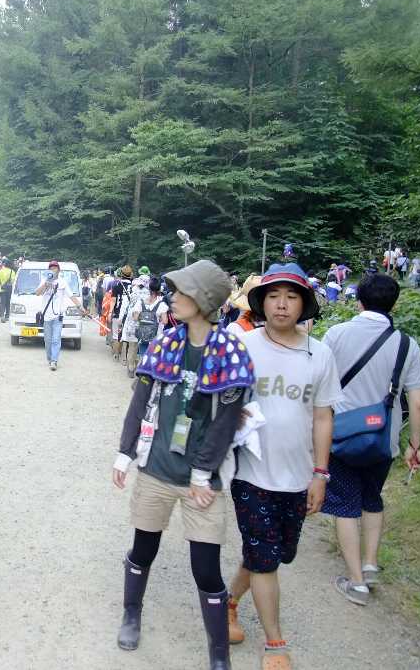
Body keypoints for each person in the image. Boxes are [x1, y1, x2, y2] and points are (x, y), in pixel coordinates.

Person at [113, 260, 254, 670]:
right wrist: (125, 453)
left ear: (205, 299)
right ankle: (131, 613)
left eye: (182, 290)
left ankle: (218, 651)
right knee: (143, 549)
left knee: (206, 569)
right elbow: (140, 401)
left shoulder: (230, 351)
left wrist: (201, 472)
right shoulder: (164, 343)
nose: (172, 296)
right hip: (156, 469)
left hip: (202, 482)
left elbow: (226, 422)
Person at [223, 264, 341, 670]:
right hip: (250, 472)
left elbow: (323, 416)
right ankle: (275, 644)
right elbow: (219, 396)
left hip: (298, 475)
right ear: (262, 302)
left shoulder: (319, 353)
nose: (281, 304)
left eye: (291, 296)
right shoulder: (244, 344)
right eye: (274, 296)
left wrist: (321, 474)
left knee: (273, 552)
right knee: (265, 556)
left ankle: (228, 602)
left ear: (303, 304)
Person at [321, 274, 420, 605]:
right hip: (384, 440)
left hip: (341, 437)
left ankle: (356, 583)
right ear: (393, 304)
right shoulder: (407, 344)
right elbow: (418, 401)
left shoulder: (337, 334)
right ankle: (369, 565)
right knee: (372, 499)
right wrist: (414, 444)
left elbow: (318, 380)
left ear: (359, 301)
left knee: (346, 503)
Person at [34, 260, 85, 371]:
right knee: (47, 340)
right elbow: (37, 293)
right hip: (46, 316)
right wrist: (45, 285)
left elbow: (71, 296)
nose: (53, 270)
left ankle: (54, 361)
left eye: (55, 268)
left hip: (58, 316)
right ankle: (50, 358)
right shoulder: (44, 280)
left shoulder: (63, 282)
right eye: (51, 268)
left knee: (56, 339)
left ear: (59, 270)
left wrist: (80, 307)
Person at [131, 277, 169, 360]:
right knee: (153, 358)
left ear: (149, 288)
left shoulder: (141, 302)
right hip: (156, 337)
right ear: (159, 290)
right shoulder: (162, 305)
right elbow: (165, 321)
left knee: (142, 357)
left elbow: (135, 318)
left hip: (143, 336)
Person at [117, 278, 148, 375]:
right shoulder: (149, 295)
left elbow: (124, 308)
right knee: (142, 346)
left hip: (132, 323)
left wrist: (120, 320)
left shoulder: (130, 294)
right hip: (145, 323)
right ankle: (139, 366)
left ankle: (131, 367)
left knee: (132, 346)